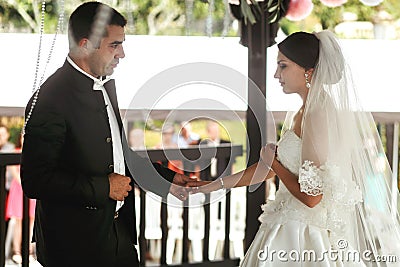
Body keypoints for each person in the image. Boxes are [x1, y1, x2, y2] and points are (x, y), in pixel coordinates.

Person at [188, 31, 400, 266]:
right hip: (287, 225)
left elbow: (312, 198)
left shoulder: (318, 113)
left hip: (302, 236)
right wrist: (210, 186)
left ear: (308, 71)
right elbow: (268, 169)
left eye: (283, 66)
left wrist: (274, 163)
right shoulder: (304, 110)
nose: (276, 74)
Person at [21, 2, 193, 267]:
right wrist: (105, 187)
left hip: (118, 238)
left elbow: (119, 157)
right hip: (73, 247)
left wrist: (167, 178)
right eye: (115, 45)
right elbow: (35, 180)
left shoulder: (104, 87)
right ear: (86, 45)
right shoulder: (49, 99)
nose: (121, 54)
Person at [5, 133, 36, 264]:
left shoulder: (35, 153)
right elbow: (13, 172)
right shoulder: (15, 152)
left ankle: (28, 251)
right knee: (18, 221)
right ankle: (17, 251)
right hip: (19, 190)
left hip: (31, 188)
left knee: (31, 221)